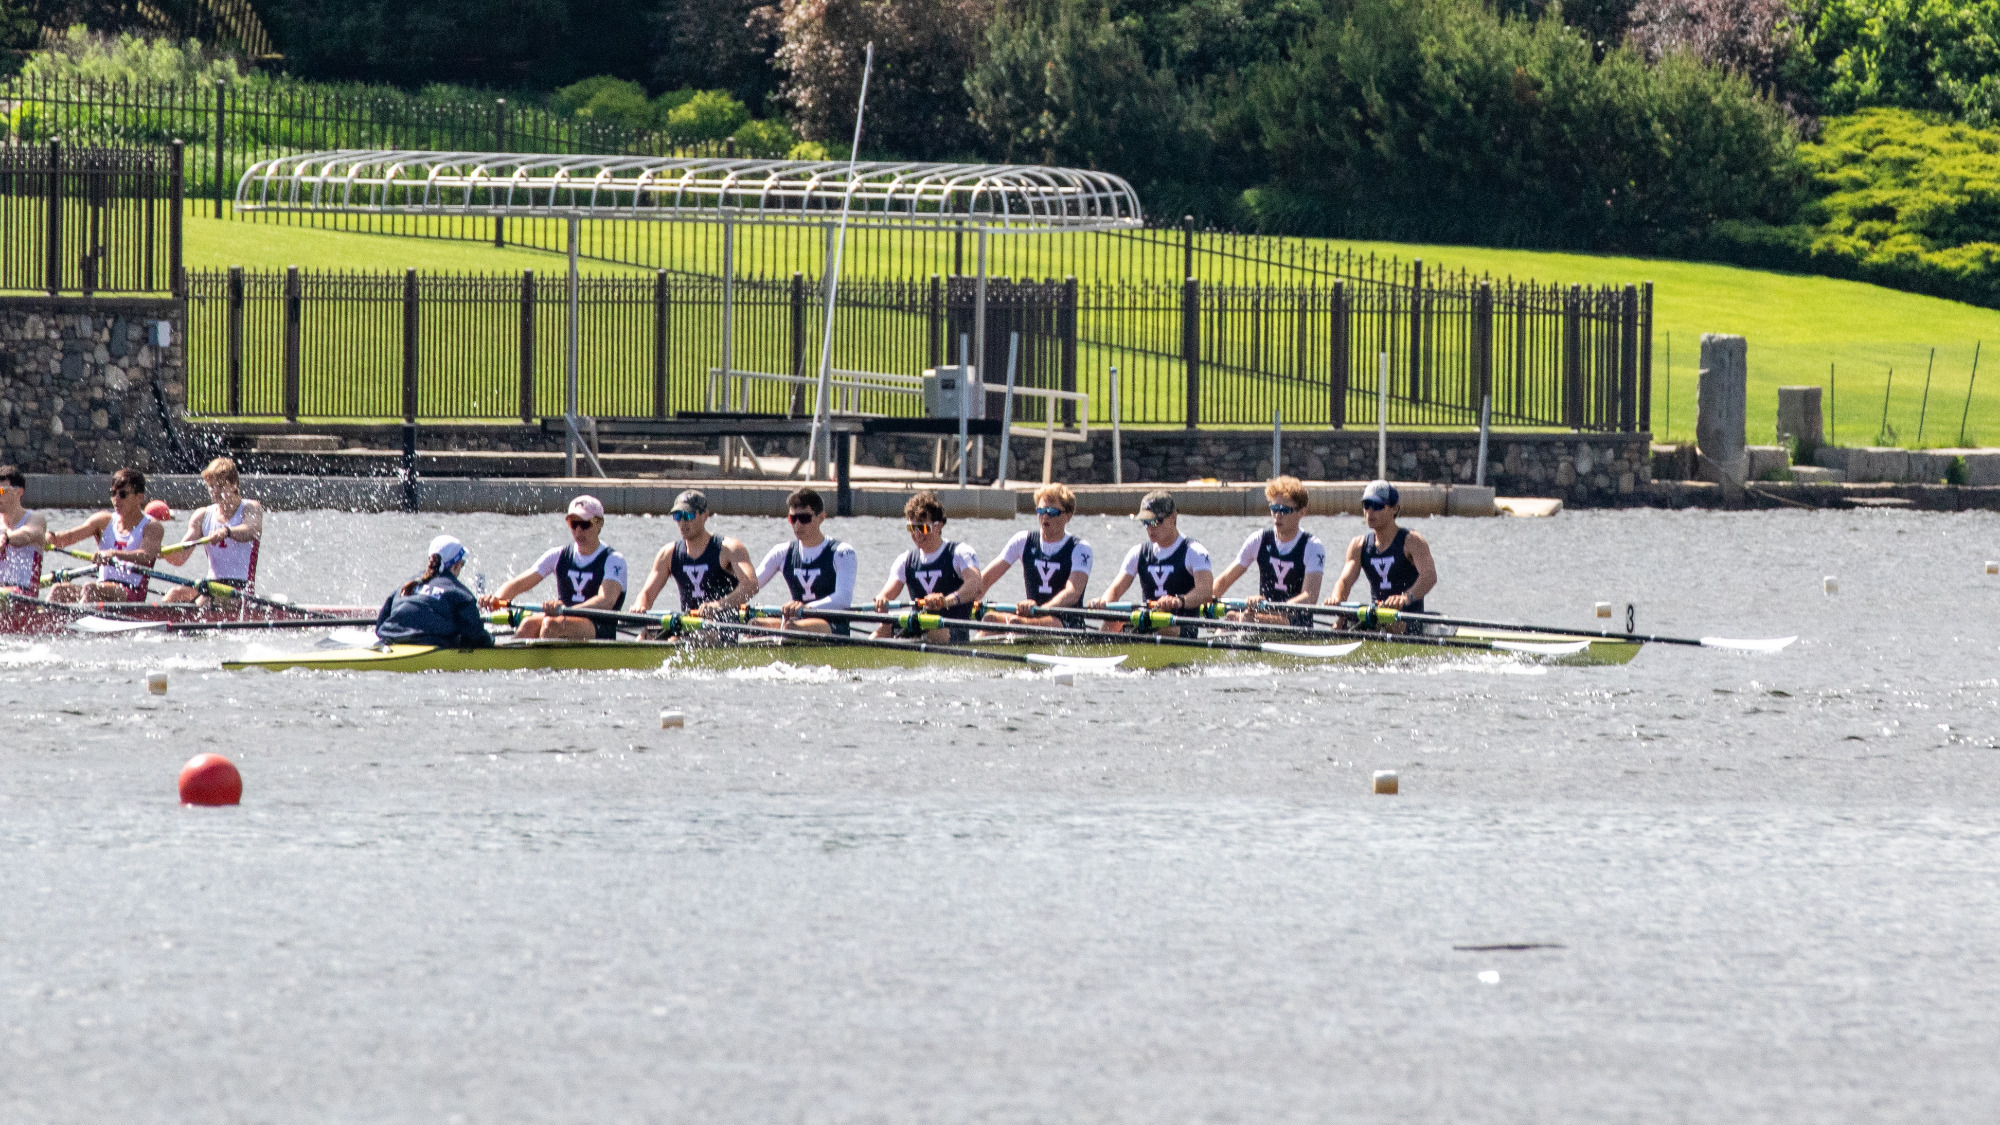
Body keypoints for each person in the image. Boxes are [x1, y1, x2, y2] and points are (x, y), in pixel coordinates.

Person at [480, 495, 629, 640]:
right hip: (562, 619)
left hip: (598, 626)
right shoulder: (558, 555)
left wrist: (566, 612)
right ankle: (508, 663)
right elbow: (519, 584)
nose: (578, 531)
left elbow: (606, 601)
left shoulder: (613, 560)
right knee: (528, 624)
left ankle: (545, 665)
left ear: (599, 523)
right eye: (573, 524)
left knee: (551, 624)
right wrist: (496, 599)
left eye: (584, 524)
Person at [1090, 490, 1213, 637]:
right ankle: (1100, 652)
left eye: (1155, 521)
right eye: (1145, 522)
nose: (1150, 528)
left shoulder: (1194, 551)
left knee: (1162, 627)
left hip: (1181, 627)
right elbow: (1116, 590)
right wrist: (1102, 603)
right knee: (1112, 621)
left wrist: (1179, 601)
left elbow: (1205, 592)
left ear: (1173, 517)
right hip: (1148, 624)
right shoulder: (1138, 552)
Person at [1212, 476, 1325, 627]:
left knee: (1243, 618)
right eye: (1274, 509)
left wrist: (1270, 609)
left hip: (1295, 622)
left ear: (1301, 512)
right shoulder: (1259, 539)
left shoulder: (1312, 546)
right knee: (1232, 617)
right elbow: (1224, 580)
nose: (1278, 515)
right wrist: (1208, 599)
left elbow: (1309, 597)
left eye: (1285, 510)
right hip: (1263, 616)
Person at [872, 491, 983, 643]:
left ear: (938, 526)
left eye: (922, 528)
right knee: (880, 632)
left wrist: (947, 600)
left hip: (952, 631)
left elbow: (975, 585)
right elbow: (886, 594)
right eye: (912, 528)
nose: (917, 534)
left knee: (935, 632)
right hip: (918, 628)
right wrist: (881, 600)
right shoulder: (906, 560)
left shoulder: (959, 553)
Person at [978, 482, 1092, 631]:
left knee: (1016, 623)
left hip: (1066, 623)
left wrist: (1040, 610)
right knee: (989, 619)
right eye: (1041, 510)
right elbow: (986, 579)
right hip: (1031, 617)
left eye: (1052, 512)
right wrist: (965, 603)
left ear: (1068, 516)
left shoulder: (1080, 548)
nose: (1045, 516)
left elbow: (1073, 593)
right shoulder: (1023, 540)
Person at [1330, 479, 1437, 631]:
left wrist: (1406, 598)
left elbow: (1429, 576)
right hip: (1377, 615)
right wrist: (1336, 598)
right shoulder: (1358, 545)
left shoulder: (1412, 541)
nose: (1370, 512)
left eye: (1378, 506)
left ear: (1394, 508)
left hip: (1408, 617)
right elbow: (1345, 582)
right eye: (1366, 505)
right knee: (1339, 625)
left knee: (1389, 624)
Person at [47, 468, 165, 604]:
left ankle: (77, 622)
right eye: (113, 493)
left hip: (131, 593)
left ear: (140, 497)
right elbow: (67, 538)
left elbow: (146, 555)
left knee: (90, 589)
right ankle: (42, 622)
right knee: (59, 590)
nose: (116, 499)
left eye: (123, 494)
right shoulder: (103, 521)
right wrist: (50, 537)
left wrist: (113, 554)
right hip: (101, 587)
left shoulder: (152, 527)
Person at [751, 487, 857, 635]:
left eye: (805, 518)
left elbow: (843, 599)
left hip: (832, 624)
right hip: (796, 622)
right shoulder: (781, 552)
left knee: (791, 628)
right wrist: (721, 604)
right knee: (753, 625)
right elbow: (749, 587)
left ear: (821, 518)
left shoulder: (842, 552)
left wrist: (807, 608)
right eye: (793, 519)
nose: (798, 525)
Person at [637, 489, 757, 617]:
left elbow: (750, 586)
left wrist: (719, 605)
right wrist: (640, 606)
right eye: (678, 516)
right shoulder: (668, 554)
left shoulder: (729, 549)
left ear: (705, 515)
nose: (682, 522)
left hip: (723, 626)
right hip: (687, 625)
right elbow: (647, 594)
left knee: (702, 635)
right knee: (644, 635)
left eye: (689, 516)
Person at [160, 457, 265, 603]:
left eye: (220, 486)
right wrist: (162, 552)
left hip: (240, 589)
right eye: (211, 486)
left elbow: (250, 530)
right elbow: (181, 556)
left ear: (234, 485)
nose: (214, 491)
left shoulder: (250, 508)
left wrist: (227, 532)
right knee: (173, 594)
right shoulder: (202, 516)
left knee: (204, 601)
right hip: (211, 585)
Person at [376, 535, 493, 649]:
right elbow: (476, 636)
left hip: (387, 641)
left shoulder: (406, 585)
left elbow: (379, 627)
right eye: (462, 564)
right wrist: (490, 640)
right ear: (456, 565)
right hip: (426, 645)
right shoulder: (460, 593)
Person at [0, 465, 47, 596]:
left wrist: (5, 539)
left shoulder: (35, 518)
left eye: (1, 491)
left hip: (23, 596)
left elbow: (27, 535)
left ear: (19, 492)